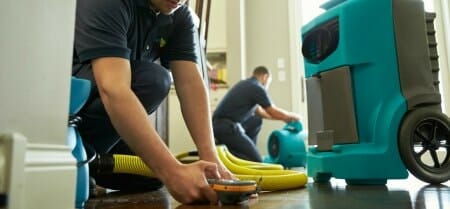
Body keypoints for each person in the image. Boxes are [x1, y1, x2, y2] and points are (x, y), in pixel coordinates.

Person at [72, 0, 233, 204]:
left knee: (151, 176)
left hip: (105, 127)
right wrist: (173, 172)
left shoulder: (178, 15)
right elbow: (114, 89)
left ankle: (92, 164)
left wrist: (212, 160)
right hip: (64, 117)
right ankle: (79, 159)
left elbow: (190, 84)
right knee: (153, 80)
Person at [212, 66, 301, 162]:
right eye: (268, 83)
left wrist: (285, 118)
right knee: (256, 160)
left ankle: (244, 151)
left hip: (219, 126)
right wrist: (293, 116)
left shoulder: (246, 84)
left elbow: (263, 113)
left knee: (256, 120)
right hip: (227, 128)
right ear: (265, 77)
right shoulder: (256, 87)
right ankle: (227, 156)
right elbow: (272, 110)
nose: (267, 86)